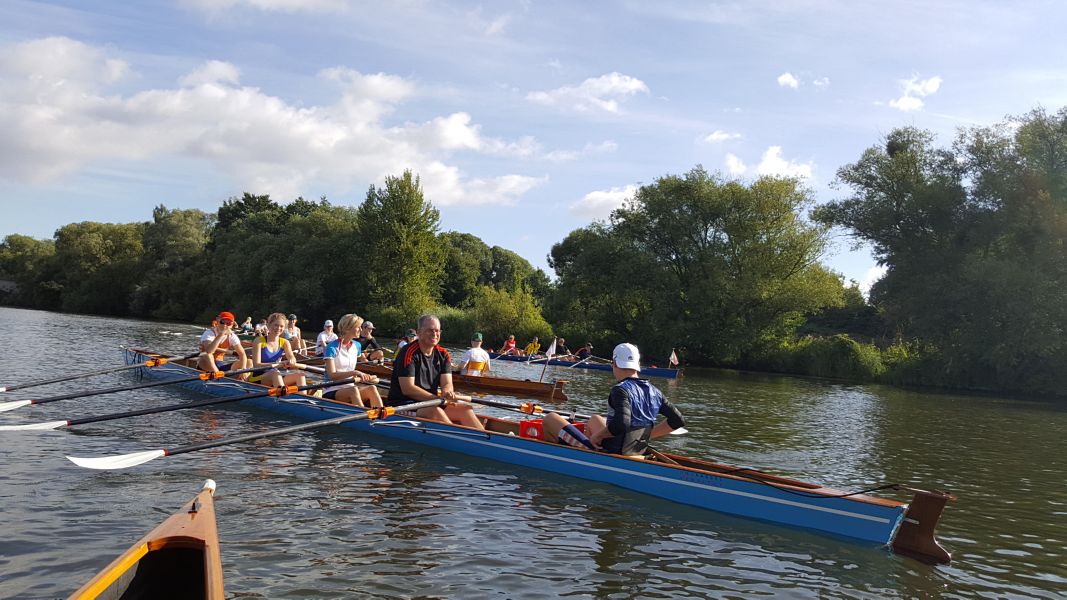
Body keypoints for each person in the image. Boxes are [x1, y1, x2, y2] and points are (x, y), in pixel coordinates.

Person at [543, 343, 685, 456]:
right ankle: (586, 448)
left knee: (550, 418)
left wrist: (598, 436)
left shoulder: (620, 389)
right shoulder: (655, 391)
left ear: (614, 363)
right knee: (594, 419)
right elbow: (678, 420)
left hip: (614, 451)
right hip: (635, 448)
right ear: (637, 365)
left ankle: (571, 456)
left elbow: (622, 424)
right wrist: (646, 437)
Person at [388, 315, 484, 429]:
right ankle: (458, 440)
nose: (434, 334)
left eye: (437, 331)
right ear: (419, 332)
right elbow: (408, 389)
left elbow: (447, 384)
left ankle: (487, 442)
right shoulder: (408, 352)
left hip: (432, 402)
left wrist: (447, 393)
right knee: (435, 411)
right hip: (404, 404)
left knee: (465, 409)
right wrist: (437, 400)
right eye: (430, 330)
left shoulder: (443, 354)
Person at [322, 313, 383, 408]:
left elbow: (364, 360)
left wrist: (376, 360)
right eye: (358, 327)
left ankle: (382, 418)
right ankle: (365, 419)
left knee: (372, 388)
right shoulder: (332, 347)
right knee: (353, 390)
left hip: (349, 387)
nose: (361, 330)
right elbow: (332, 375)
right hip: (331, 389)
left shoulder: (357, 346)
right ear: (347, 329)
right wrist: (355, 372)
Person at [250, 312, 306, 388]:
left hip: (277, 374)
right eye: (276, 325)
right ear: (269, 325)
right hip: (259, 376)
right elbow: (256, 365)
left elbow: (291, 357)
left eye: (281, 326)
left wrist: (292, 361)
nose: (278, 328)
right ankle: (281, 396)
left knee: (301, 376)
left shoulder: (285, 342)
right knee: (275, 374)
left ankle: (302, 399)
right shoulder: (258, 341)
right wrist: (279, 364)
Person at [196, 310, 250, 379]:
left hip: (219, 365)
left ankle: (243, 381)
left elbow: (242, 354)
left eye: (228, 324)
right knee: (208, 355)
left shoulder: (232, 336)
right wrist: (221, 334)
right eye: (222, 322)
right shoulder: (209, 333)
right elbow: (209, 351)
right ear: (218, 321)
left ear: (232, 325)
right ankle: (219, 377)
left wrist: (243, 370)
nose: (225, 325)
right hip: (205, 364)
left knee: (249, 362)